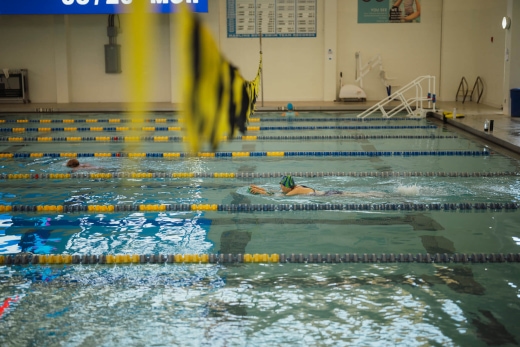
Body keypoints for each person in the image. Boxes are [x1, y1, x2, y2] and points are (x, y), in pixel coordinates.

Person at [249, 175, 385, 197]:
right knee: (355, 194)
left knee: (360, 196)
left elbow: (276, 196)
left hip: (329, 195)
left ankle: (374, 194)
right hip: (329, 192)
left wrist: (260, 193)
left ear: (287, 186)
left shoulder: (294, 192)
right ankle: (374, 193)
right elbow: (274, 191)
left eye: (282, 185)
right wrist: (259, 188)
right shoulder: (295, 187)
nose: (280, 187)